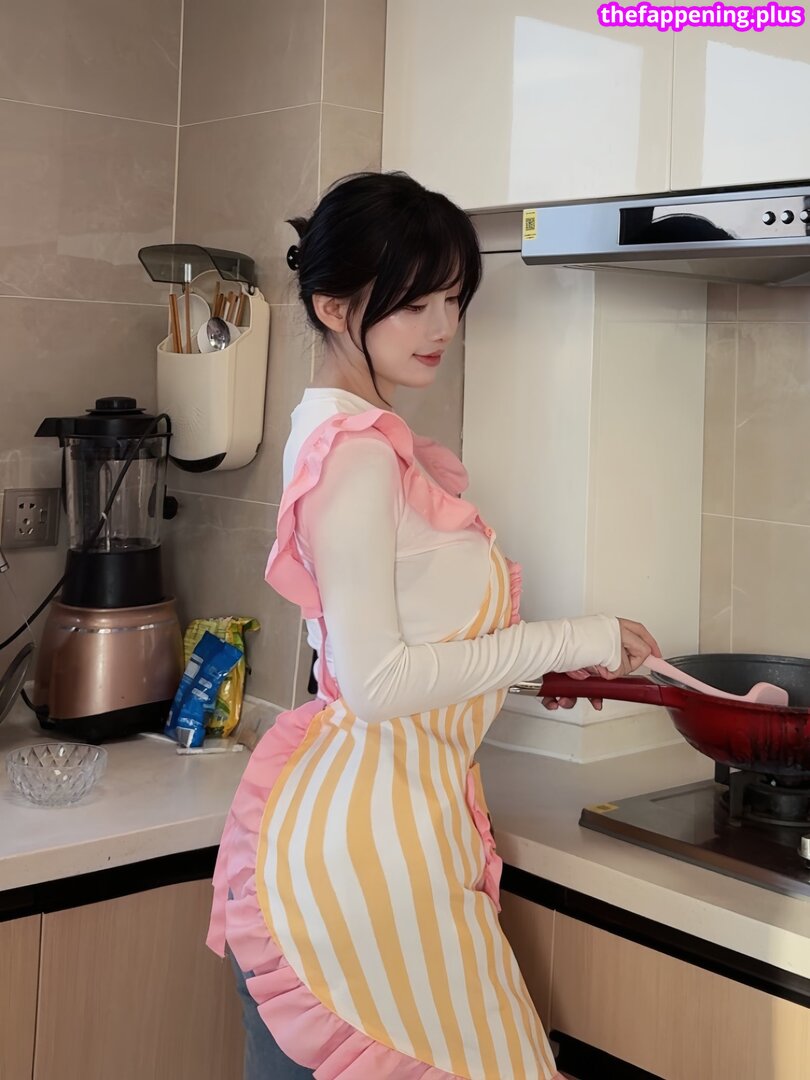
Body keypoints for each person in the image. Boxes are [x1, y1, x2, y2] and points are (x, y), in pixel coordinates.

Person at [207, 171, 661, 1080]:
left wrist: (540, 670)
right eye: (415, 304)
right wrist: (580, 636)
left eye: (453, 299)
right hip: (366, 858)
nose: (443, 327)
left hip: (393, 830)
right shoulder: (356, 454)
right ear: (335, 308)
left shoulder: (352, 433)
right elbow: (379, 684)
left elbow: (409, 643)